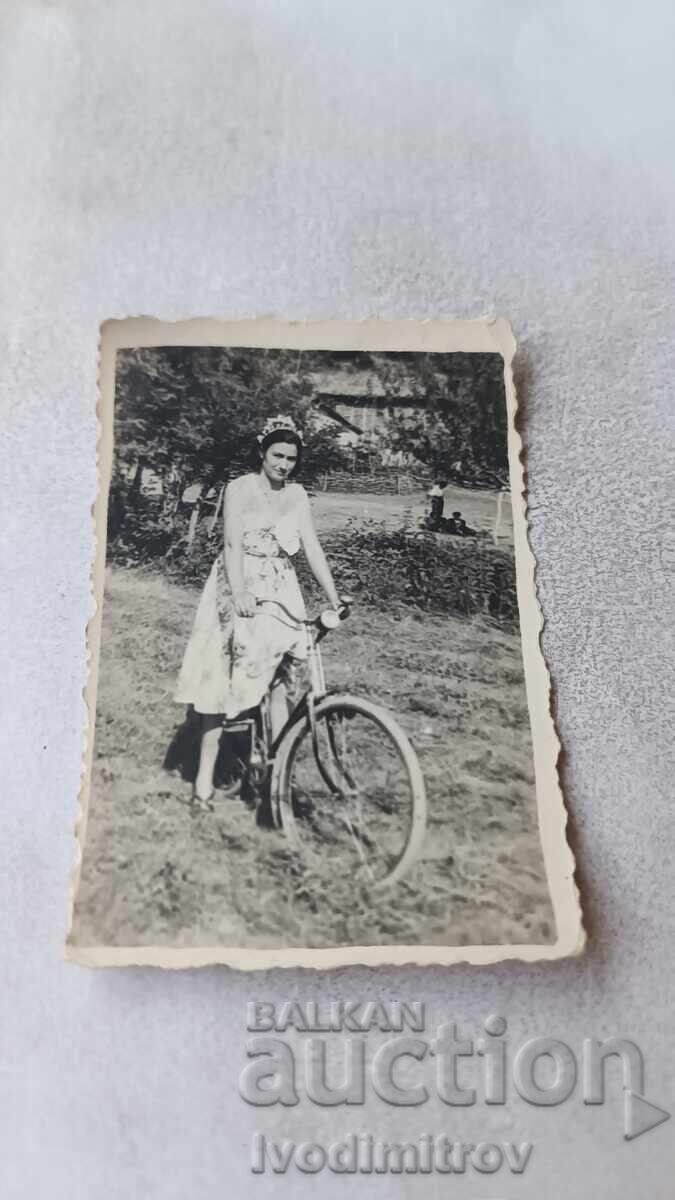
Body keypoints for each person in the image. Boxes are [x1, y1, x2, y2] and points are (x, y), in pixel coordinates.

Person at [174, 415, 342, 807]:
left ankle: (273, 776)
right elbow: (232, 545)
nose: (284, 464)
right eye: (277, 455)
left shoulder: (298, 495)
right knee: (223, 677)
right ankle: (203, 782)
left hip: (281, 584)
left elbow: (312, 548)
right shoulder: (241, 488)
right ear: (262, 454)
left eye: (291, 458)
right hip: (239, 580)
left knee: (279, 678)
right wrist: (240, 591)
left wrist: (334, 597)